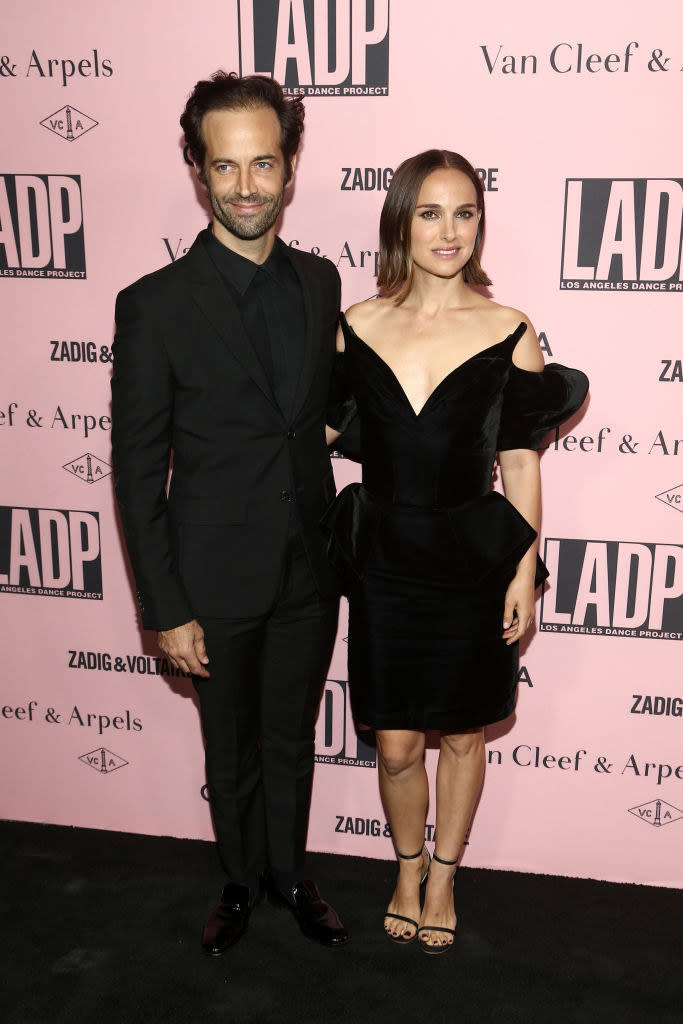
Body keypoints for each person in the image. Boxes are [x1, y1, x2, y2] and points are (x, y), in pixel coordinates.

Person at [324, 150, 588, 955]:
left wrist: (523, 573)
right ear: (400, 219)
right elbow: (319, 433)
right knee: (397, 744)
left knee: (466, 735)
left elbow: (518, 464)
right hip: (384, 560)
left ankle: (441, 876)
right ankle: (402, 867)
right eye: (430, 212)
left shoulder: (509, 328)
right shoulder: (357, 325)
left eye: (464, 212)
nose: (448, 231)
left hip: (473, 561)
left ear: (480, 221)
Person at [111, 71, 348, 955]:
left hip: (308, 567)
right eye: (225, 166)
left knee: (291, 736)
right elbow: (136, 472)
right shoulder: (153, 305)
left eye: (263, 163)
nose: (245, 185)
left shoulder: (321, 282)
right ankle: (241, 880)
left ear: (289, 170)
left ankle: (293, 873)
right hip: (211, 575)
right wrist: (163, 608)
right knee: (232, 745)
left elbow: (327, 408)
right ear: (197, 172)